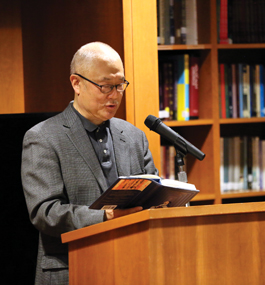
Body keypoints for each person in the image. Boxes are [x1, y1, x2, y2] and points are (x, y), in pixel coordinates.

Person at [21, 42, 158, 284]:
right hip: (71, 268)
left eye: (120, 86)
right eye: (105, 86)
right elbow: (45, 212)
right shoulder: (43, 137)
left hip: (132, 266)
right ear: (76, 83)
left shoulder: (134, 136)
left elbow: (151, 192)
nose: (115, 95)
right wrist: (105, 217)